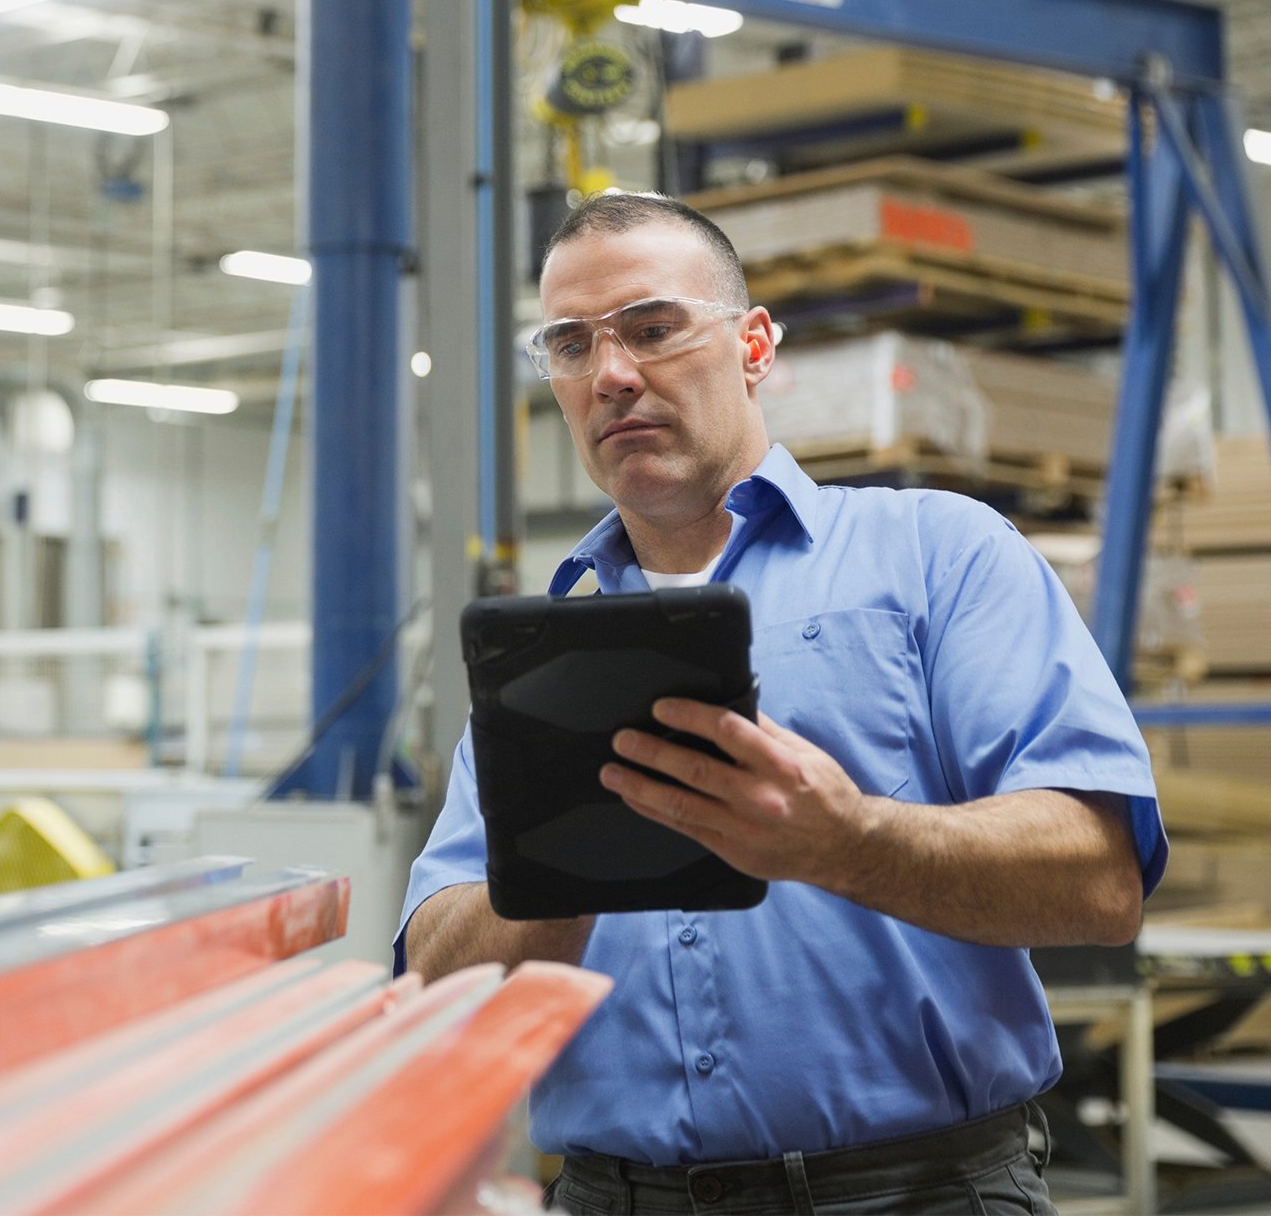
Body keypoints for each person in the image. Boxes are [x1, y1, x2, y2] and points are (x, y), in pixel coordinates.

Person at [398, 193, 1164, 1215]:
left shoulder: (938, 555)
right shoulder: (543, 660)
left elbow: (1101, 881)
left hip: (920, 1193)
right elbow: (435, 995)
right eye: (571, 346)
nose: (612, 375)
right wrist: (557, 867)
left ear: (753, 346)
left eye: (654, 328)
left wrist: (847, 843)